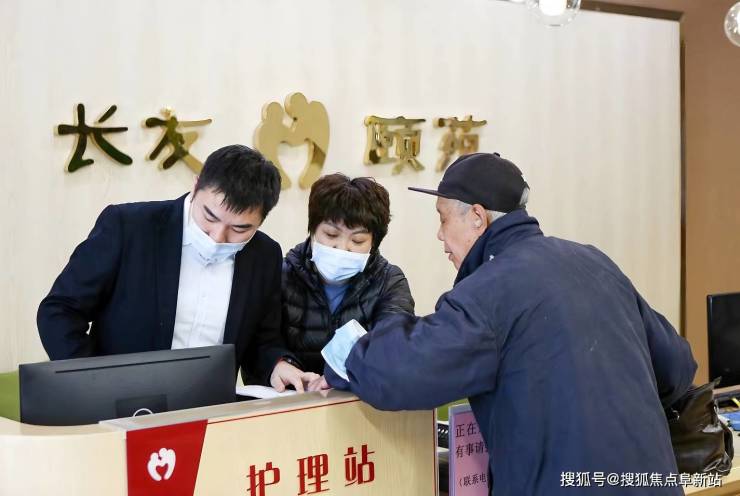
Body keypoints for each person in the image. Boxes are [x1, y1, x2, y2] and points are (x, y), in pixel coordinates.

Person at [319, 153, 697, 495]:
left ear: (477, 217)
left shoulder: (488, 292)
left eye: (443, 218)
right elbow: (678, 366)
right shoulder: (595, 263)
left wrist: (347, 351)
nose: (440, 234)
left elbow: (403, 372)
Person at [38, 145, 317, 392]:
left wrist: (279, 364)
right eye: (209, 216)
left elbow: (262, 340)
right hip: (120, 405)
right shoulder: (130, 227)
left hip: (210, 409)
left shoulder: (264, 254)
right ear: (195, 187)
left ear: (261, 220)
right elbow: (60, 310)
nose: (217, 236)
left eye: (239, 229)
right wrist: (93, 380)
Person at [282, 173, 414, 374]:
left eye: (357, 240)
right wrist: (280, 364)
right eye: (331, 234)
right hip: (292, 392)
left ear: (374, 243)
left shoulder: (389, 282)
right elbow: (260, 345)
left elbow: (393, 347)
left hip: (356, 391)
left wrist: (339, 378)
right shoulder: (283, 275)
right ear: (313, 230)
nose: (342, 248)